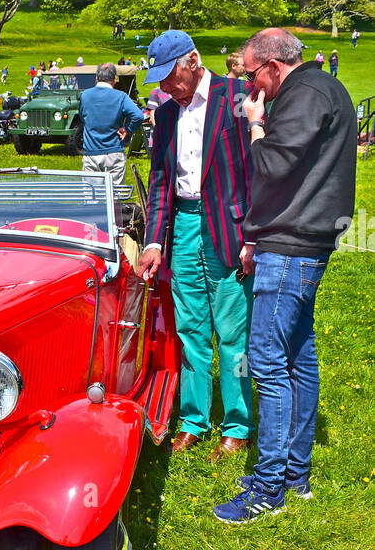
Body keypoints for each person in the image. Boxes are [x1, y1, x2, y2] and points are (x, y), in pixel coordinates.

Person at [213, 28, 356, 522]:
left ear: (273, 64)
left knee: (268, 361)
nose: (250, 85)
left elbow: (271, 165)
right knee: (298, 354)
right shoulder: (324, 90)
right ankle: (295, 475)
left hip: (292, 243)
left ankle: (267, 488)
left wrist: (256, 124)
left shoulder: (303, 94)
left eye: (251, 74)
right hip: (305, 239)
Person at [137, 31, 255, 459]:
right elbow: (160, 183)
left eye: (171, 76)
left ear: (192, 60)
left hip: (229, 227)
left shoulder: (239, 96)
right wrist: (153, 241)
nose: (166, 86)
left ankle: (238, 423)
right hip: (183, 226)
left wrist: (254, 235)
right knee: (189, 328)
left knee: (231, 330)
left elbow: (261, 170)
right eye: (161, 80)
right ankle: (193, 419)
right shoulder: (166, 114)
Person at [79, 63, 144, 188]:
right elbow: (138, 116)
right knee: (115, 198)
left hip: (91, 152)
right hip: (114, 151)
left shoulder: (85, 95)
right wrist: (127, 129)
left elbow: (83, 117)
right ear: (115, 79)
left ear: (96, 78)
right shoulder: (121, 96)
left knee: (92, 197)